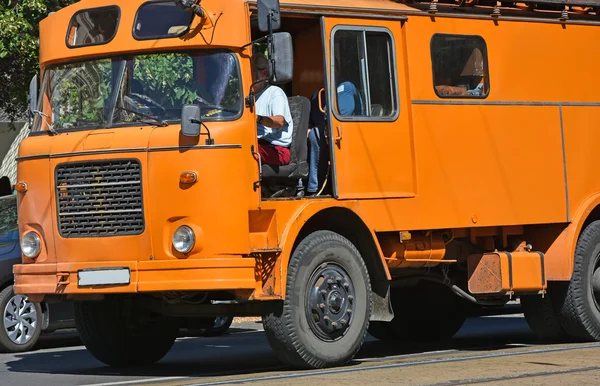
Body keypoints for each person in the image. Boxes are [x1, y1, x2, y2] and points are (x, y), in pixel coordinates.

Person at [306, 79, 364, 195]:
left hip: (348, 135)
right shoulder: (318, 94)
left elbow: (340, 115)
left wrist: (313, 129)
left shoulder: (345, 87)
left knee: (316, 133)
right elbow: (311, 118)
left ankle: (314, 188)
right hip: (327, 134)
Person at [253, 53, 294, 166]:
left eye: (251, 71)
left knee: (244, 151)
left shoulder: (275, 93)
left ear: (264, 73)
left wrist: (257, 118)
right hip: (255, 144)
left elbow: (279, 121)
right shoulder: (247, 97)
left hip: (276, 149)